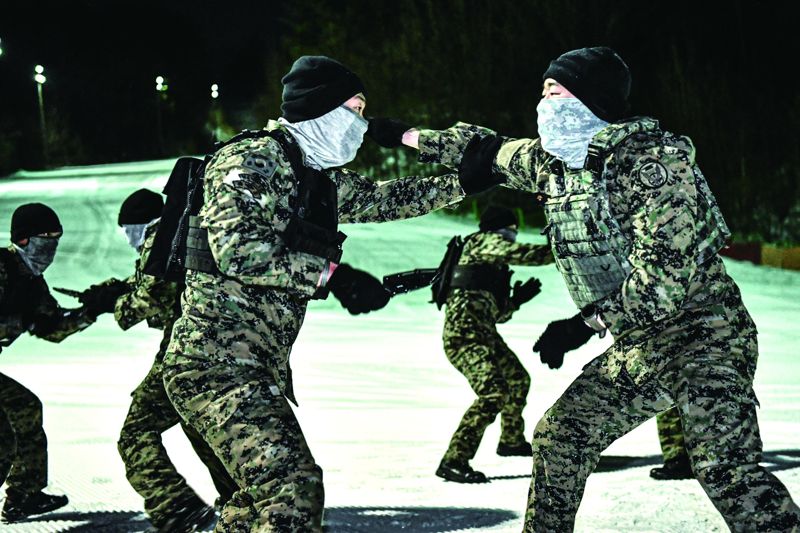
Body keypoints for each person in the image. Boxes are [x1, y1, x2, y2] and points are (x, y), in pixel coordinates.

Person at [397, 46, 800, 531]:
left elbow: (663, 281)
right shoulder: (556, 163)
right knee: (560, 437)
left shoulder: (653, 166)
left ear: (593, 101)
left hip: (704, 338)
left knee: (725, 470)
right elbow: (488, 151)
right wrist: (403, 134)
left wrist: (583, 324)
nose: (545, 103)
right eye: (542, 91)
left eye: (557, 92)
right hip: (642, 345)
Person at [162, 55, 499, 532]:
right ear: (320, 108)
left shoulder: (312, 175)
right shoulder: (252, 159)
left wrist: (462, 183)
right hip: (213, 366)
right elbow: (238, 249)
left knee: (253, 511)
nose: (362, 125)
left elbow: (384, 199)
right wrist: (332, 277)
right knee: (293, 491)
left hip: (253, 366)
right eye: (355, 110)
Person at [82, 189, 239, 532]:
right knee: (200, 426)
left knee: (136, 432)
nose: (129, 240)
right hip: (228, 347)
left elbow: (149, 297)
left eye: (128, 230)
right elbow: (162, 282)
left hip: (185, 352)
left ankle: (177, 508)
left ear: (138, 225)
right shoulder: (187, 234)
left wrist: (113, 305)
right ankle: (243, 503)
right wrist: (113, 290)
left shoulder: (161, 238)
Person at [435, 206, 552, 484]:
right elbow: (522, 253)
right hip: (463, 337)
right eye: (509, 231)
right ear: (496, 229)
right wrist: (558, 248)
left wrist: (517, 301)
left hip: (484, 333)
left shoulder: (491, 265)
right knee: (493, 393)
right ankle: (454, 460)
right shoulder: (481, 242)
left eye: (513, 232)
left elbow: (497, 314)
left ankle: (510, 441)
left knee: (518, 380)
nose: (511, 237)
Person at [0, 203, 99, 523]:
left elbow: (51, 326)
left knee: (24, 409)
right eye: (46, 237)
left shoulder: (31, 281)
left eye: (57, 237)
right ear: (24, 240)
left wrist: (92, 310)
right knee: (4, 433)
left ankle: (24, 494)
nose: (52, 245)